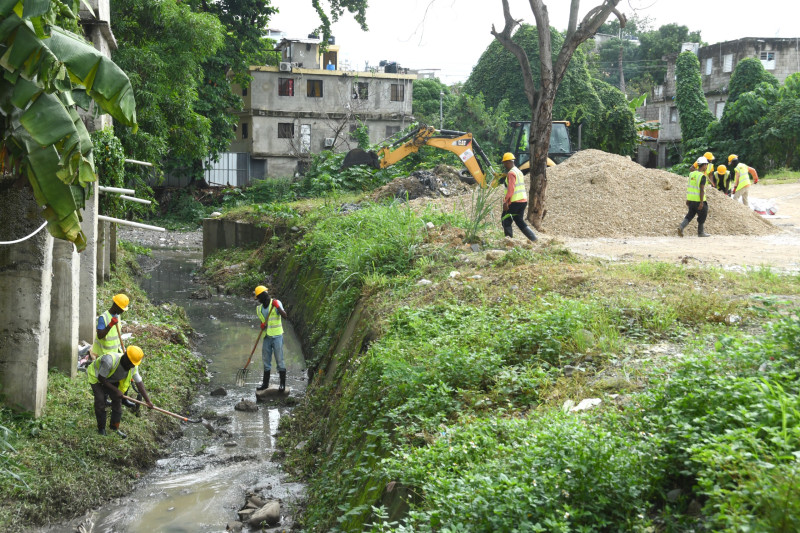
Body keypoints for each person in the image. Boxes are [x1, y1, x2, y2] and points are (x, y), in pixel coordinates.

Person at [87, 345, 153, 438]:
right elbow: (101, 379)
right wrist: (116, 390)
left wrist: (148, 401)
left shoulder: (133, 366)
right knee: (100, 400)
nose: (131, 366)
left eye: (133, 364)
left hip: (111, 379)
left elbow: (139, 382)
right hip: (97, 377)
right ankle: (101, 428)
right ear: (125, 356)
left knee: (117, 401)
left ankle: (115, 427)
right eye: (130, 363)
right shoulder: (109, 361)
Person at [254, 285, 289, 392]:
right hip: (267, 337)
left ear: (263, 296)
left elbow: (285, 316)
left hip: (277, 336)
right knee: (266, 360)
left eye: (259, 298)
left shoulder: (275, 303)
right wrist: (262, 325)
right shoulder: (259, 309)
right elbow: (262, 322)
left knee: (279, 360)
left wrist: (278, 307)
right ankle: (265, 384)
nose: (258, 300)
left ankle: (282, 384)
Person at [499, 153, 537, 242]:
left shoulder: (511, 173)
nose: (504, 165)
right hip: (523, 201)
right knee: (519, 221)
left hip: (514, 201)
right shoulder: (518, 171)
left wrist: (506, 202)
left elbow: (511, 189)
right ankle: (534, 238)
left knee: (505, 220)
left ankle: (509, 242)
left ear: (508, 162)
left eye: (504, 162)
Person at [678, 156, 711, 238]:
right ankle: (701, 232)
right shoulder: (702, 176)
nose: (706, 166)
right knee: (703, 213)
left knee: (690, 214)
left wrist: (688, 199)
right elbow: (702, 190)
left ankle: (681, 227)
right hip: (699, 200)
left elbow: (689, 187)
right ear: (703, 165)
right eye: (706, 165)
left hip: (691, 200)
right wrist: (701, 202)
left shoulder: (691, 174)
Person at [91, 293, 129, 361]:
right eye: (121, 308)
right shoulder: (103, 317)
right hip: (104, 355)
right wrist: (110, 324)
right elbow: (100, 335)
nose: (123, 311)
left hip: (114, 354)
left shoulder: (117, 316)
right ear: (116, 306)